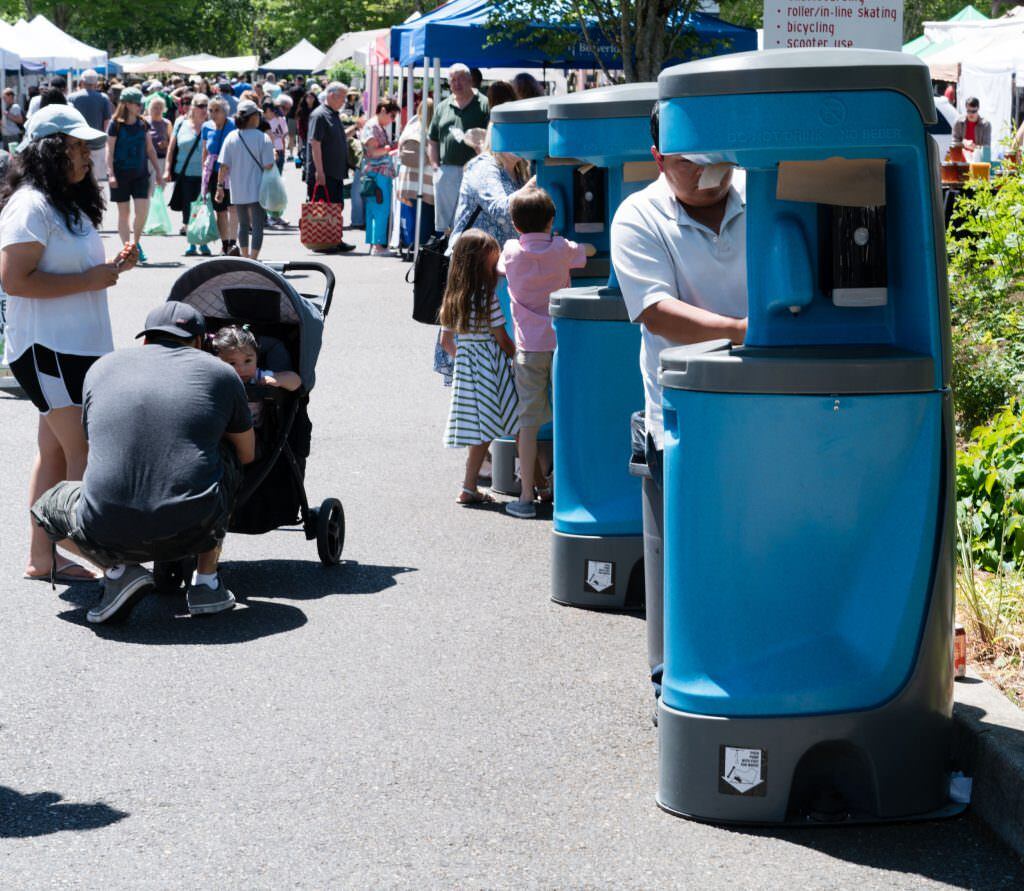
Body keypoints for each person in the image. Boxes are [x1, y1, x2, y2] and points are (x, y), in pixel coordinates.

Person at [611, 103, 746, 698]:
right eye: (690, 159)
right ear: (660, 159)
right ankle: (675, 679)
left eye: (716, 154)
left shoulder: (762, 196)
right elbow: (656, 311)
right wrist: (747, 331)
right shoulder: (638, 215)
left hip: (768, 407)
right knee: (686, 555)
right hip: (682, 414)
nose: (708, 168)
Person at [30, 302, 255, 623]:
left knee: (45, 509)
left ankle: (119, 570)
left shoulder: (102, 368)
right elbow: (247, 453)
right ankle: (206, 583)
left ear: (146, 339)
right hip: (195, 524)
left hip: (106, 527)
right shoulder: (221, 372)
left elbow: (96, 441)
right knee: (226, 455)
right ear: (198, 343)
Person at [0, 104, 138, 584]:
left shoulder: (66, 203)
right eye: (76, 146)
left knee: (55, 451)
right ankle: (100, 555)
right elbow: (14, 280)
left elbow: (77, 273)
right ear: (49, 151)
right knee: (83, 450)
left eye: (86, 147)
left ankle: (43, 558)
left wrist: (112, 270)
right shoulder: (31, 205)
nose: (86, 155)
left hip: (75, 349)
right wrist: (89, 279)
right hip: (48, 351)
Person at [498, 187, 592, 518]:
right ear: (552, 220)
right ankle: (563, 489)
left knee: (528, 421)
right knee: (567, 415)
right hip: (561, 345)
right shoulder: (562, 248)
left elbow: (501, 266)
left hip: (529, 349)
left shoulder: (511, 251)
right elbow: (588, 252)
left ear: (515, 224)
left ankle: (525, 496)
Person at [439, 229, 519, 504]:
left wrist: (464, 359)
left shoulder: (453, 298)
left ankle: (469, 487)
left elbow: (446, 341)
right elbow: (501, 337)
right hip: (492, 368)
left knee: (482, 428)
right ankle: (539, 485)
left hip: (467, 369)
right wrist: (515, 357)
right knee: (517, 422)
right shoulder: (487, 297)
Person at [428, 63, 490, 232]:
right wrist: (435, 167)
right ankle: (448, 247)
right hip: (446, 171)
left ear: (470, 80)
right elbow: (432, 140)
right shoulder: (442, 107)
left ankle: (466, 247)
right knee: (446, 224)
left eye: (461, 78)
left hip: (475, 172)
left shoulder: (484, 104)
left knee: (471, 219)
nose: (457, 83)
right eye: (453, 80)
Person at [107, 87, 164, 264]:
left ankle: (135, 243)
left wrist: (159, 172)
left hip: (140, 174)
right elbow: (110, 150)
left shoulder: (143, 124)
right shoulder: (115, 124)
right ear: (126, 104)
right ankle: (128, 248)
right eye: (137, 104)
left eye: (141, 104)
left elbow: (150, 149)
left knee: (142, 211)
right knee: (124, 213)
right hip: (120, 174)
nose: (140, 107)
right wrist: (111, 174)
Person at [212, 325, 301, 431]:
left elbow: (296, 382)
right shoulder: (218, 378)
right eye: (232, 363)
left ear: (256, 358)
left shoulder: (258, 376)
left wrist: (278, 379)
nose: (242, 369)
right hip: (225, 430)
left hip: (255, 429)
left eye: (248, 361)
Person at [216, 100, 275, 261]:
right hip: (258, 188)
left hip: (237, 188)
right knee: (257, 225)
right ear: (253, 117)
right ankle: (254, 258)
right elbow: (268, 165)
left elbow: (224, 165)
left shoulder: (231, 137)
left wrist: (220, 187)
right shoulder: (262, 137)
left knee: (242, 224)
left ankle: (245, 256)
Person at [305, 82, 357, 254]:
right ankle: (324, 242)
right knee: (324, 209)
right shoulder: (319, 115)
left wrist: (356, 127)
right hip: (325, 172)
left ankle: (334, 239)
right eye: (342, 97)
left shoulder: (333, 114)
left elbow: (338, 138)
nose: (344, 101)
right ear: (331, 95)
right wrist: (319, 171)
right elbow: (315, 143)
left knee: (336, 207)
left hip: (335, 172)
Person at [167, 92, 210, 253]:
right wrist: (166, 169)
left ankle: (203, 241)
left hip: (205, 174)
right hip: (184, 173)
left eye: (206, 106)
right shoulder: (181, 123)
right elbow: (171, 148)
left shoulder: (211, 125)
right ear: (193, 107)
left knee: (203, 209)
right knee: (188, 209)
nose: (204, 109)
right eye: (200, 106)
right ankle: (192, 243)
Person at [361, 100, 400, 256]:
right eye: (392, 116)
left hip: (375, 173)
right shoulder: (373, 127)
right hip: (378, 174)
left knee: (374, 209)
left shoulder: (375, 126)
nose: (393, 120)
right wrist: (388, 148)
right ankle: (378, 246)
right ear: (383, 110)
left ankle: (375, 244)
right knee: (381, 209)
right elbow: (372, 152)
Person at [201, 97, 239, 256]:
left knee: (233, 208)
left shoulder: (233, 125)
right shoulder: (206, 127)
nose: (213, 114)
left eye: (217, 110)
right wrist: (203, 175)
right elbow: (205, 151)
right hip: (213, 172)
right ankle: (225, 244)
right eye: (211, 110)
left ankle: (233, 243)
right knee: (220, 210)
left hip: (232, 170)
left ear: (225, 112)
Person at [396, 98, 435, 247]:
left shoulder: (411, 126)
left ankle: (413, 246)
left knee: (413, 218)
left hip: (408, 182)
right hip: (427, 182)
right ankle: (421, 249)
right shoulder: (432, 128)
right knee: (426, 218)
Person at [68, 70, 113, 182]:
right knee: (98, 181)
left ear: (82, 82)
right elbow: (107, 123)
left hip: (77, 145)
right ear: (96, 83)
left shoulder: (71, 98)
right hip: (98, 144)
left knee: (79, 179)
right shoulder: (104, 98)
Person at [264, 97, 290, 228]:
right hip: (267, 153)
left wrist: (283, 152)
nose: (265, 113)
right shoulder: (262, 122)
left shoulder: (281, 120)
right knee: (268, 185)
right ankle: (268, 215)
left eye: (267, 110)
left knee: (276, 185)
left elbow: (284, 137)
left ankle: (275, 215)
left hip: (279, 152)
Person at [146, 96, 170, 187]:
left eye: (161, 107)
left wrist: (165, 144)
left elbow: (171, 142)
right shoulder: (144, 121)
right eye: (155, 107)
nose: (158, 110)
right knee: (148, 188)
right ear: (150, 109)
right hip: (147, 160)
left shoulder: (167, 123)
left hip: (161, 159)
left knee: (160, 187)